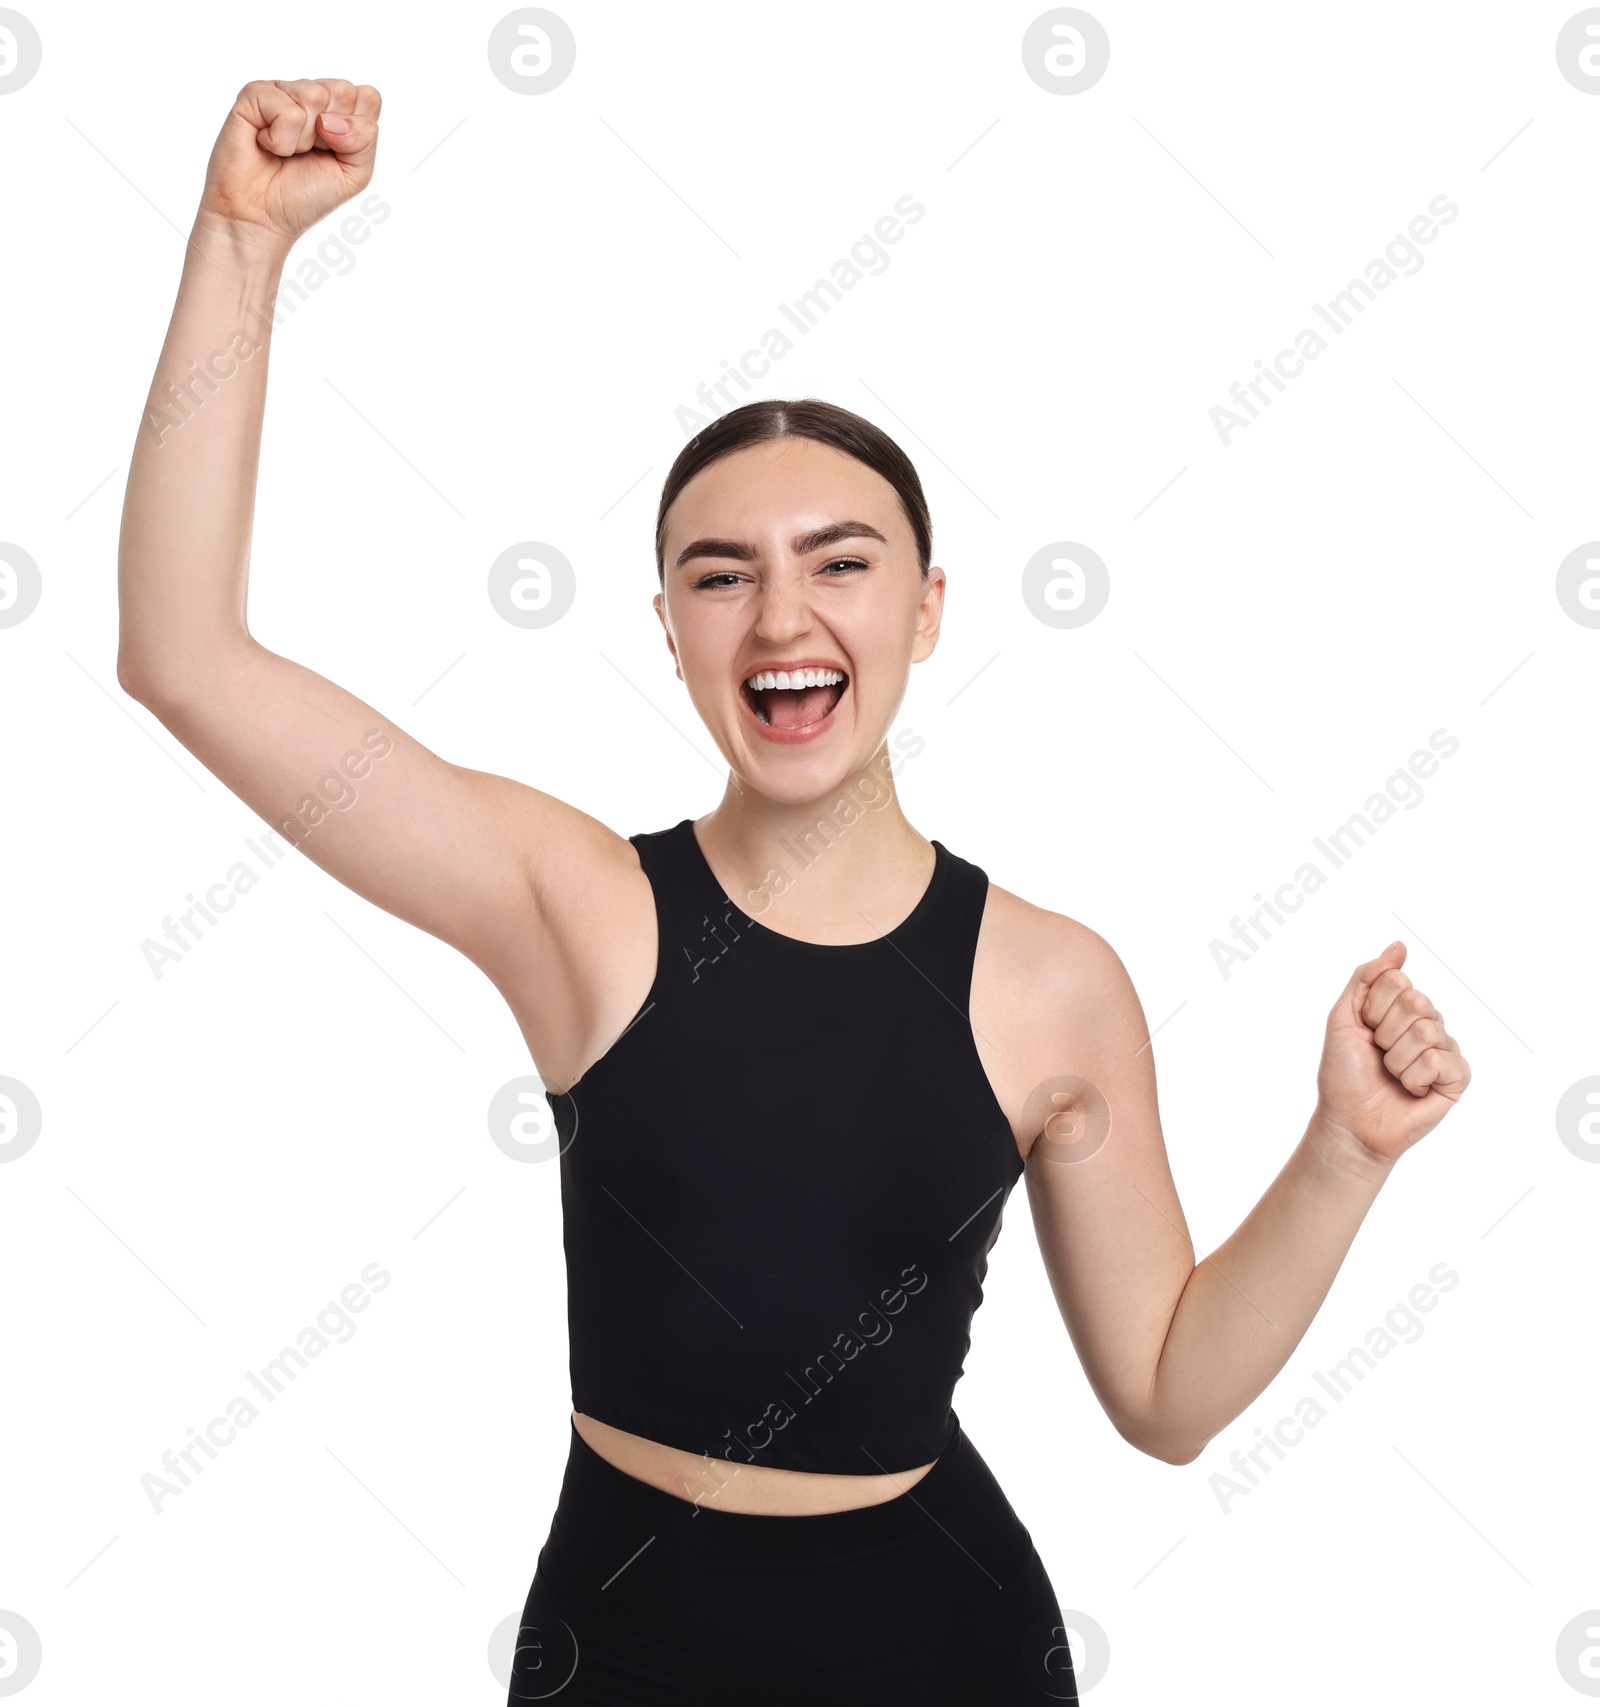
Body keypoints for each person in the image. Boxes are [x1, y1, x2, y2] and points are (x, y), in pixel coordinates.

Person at [117, 80, 1473, 1705]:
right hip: (621, 1646)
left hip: (943, 1645)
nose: (783, 618)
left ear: (927, 607)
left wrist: (1342, 1154)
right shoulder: (580, 912)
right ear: (670, 626)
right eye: (720, 573)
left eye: (841, 562)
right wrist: (240, 242)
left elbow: (1168, 1397)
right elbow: (183, 659)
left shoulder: (1051, 984)